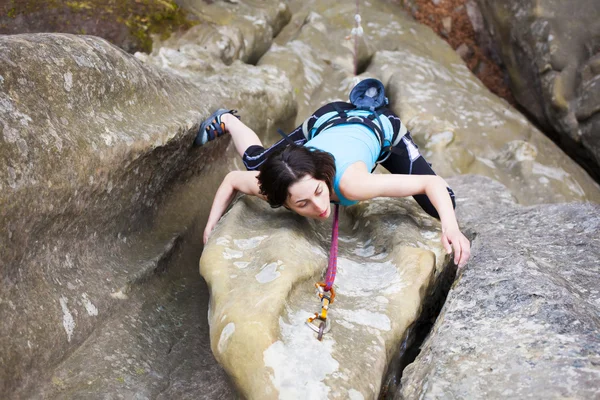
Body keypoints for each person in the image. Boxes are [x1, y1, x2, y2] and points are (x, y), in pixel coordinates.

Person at [197, 84, 470, 268]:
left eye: (318, 192)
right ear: (282, 201)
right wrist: (211, 225)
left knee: (442, 202)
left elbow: (431, 183)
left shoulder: (353, 185)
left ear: (322, 176)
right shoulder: (276, 188)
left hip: (380, 127)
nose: (319, 208)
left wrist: (451, 227)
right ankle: (227, 120)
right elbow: (233, 179)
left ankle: (407, 150)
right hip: (328, 119)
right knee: (256, 162)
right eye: (302, 204)